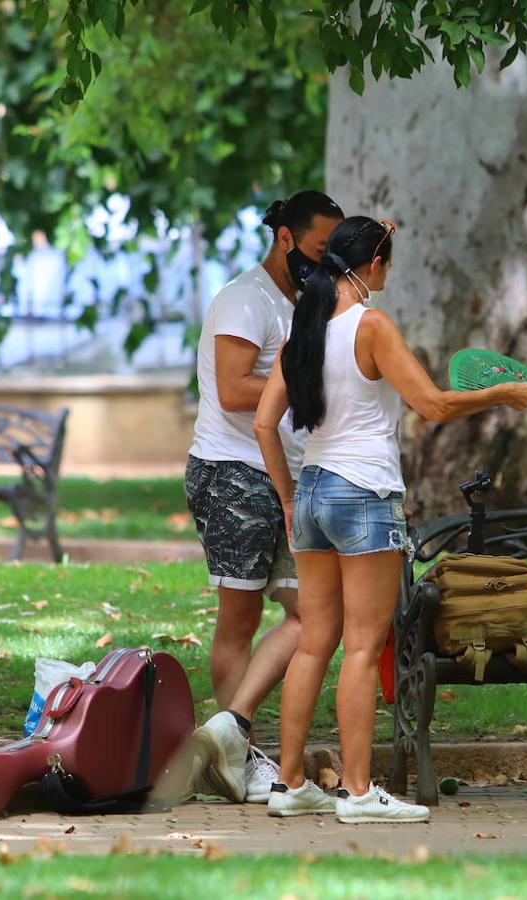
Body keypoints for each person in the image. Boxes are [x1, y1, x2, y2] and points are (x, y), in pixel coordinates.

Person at [253, 216, 527, 823]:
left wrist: (286, 496)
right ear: (373, 266)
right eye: (389, 263)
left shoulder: (304, 328)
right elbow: (431, 404)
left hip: (313, 493)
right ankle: (357, 792)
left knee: (312, 646)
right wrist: (500, 393)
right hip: (363, 493)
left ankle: (290, 784)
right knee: (360, 647)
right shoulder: (371, 326)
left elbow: (262, 423)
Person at [182, 190, 344, 804]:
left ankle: (233, 734)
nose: (326, 263)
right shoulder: (246, 300)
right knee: (239, 621)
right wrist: (306, 381)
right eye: (320, 249)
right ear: (286, 239)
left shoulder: (304, 300)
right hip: (232, 473)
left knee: (311, 614)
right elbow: (230, 389)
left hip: (284, 475)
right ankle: (239, 761)